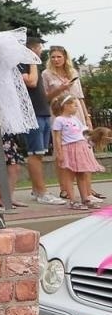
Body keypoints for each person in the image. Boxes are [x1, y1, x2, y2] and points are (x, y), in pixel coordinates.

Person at [19, 33, 66, 205]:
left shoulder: (33, 65)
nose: (41, 51)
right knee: (35, 153)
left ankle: (36, 189)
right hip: (32, 115)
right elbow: (30, 82)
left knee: (40, 153)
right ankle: (41, 192)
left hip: (43, 112)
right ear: (31, 48)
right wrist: (31, 60)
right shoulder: (22, 65)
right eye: (38, 47)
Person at [42, 45, 91, 201]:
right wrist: (61, 88)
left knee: (83, 148)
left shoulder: (73, 72)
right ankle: (64, 188)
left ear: (65, 58)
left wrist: (87, 116)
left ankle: (87, 190)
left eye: (59, 57)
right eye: (53, 57)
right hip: (59, 112)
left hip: (76, 112)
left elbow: (80, 96)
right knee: (62, 150)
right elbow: (45, 97)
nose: (56, 60)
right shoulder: (46, 74)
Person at [50, 93, 104, 209]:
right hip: (68, 148)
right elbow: (57, 137)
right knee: (69, 175)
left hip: (80, 147)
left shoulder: (75, 119)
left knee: (82, 174)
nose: (77, 107)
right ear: (66, 106)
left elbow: (84, 132)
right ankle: (73, 200)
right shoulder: (59, 120)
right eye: (74, 105)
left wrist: (96, 134)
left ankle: (85, 198)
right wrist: (59, 152)